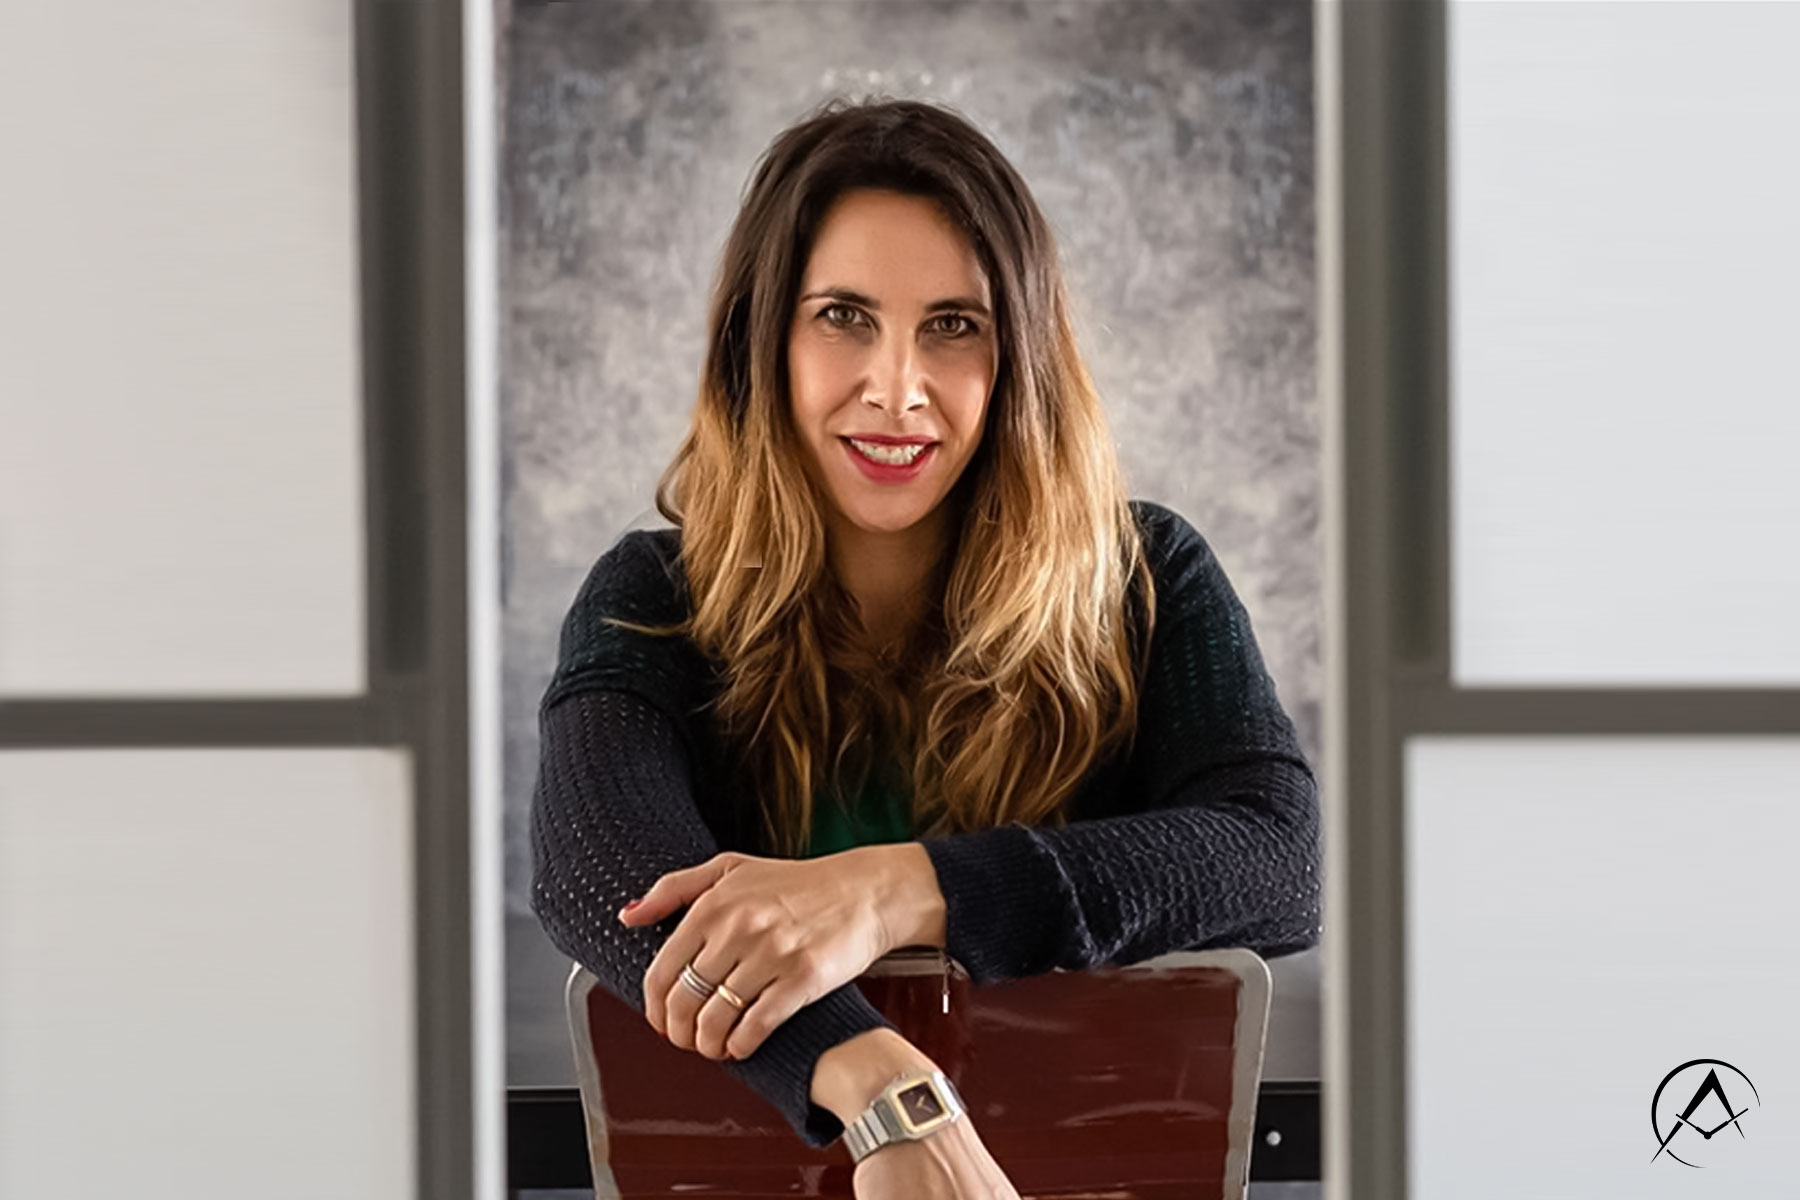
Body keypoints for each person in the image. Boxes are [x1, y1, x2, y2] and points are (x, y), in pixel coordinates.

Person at [530, 95, 1321, 1197]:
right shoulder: (654, 596)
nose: (895, 389)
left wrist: (891, 893)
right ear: (764, 339)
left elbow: (1277, 862)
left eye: (954, 326)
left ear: (1019, 360)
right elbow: (608, 879)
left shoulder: (1146, 577)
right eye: (843, 317)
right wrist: (886, 1097)